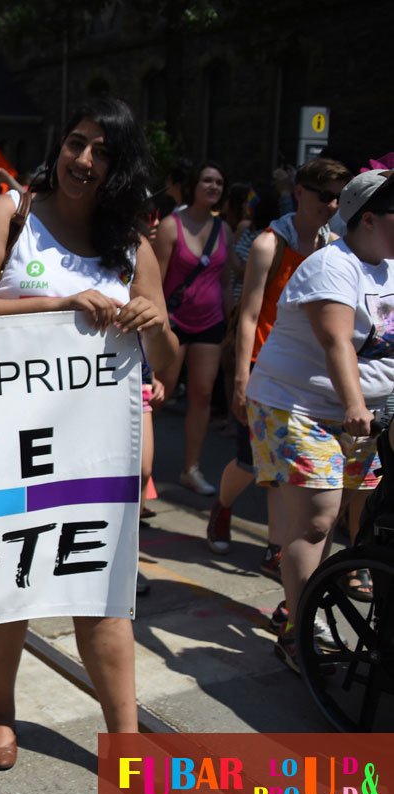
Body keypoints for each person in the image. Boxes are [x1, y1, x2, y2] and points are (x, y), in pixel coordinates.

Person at [0, 97, 176, 769]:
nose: (83, 159)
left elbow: (168, 363)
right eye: (76, 143)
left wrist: (152, 325)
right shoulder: (11, 213)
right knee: (9, 576)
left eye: (102, 152)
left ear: (121, 168)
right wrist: (58, 305)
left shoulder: (131, 247)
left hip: (101, 454)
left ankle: (125, 742)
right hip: (8, 437)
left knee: (101, 595)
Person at [244, 169, 394, 674]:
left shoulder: (390, 266)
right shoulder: (331, 266)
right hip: (297, 407)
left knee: (343, 520)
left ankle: (294, 604)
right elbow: (336, 344)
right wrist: (355, 405)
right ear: (369, 219)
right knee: (316, 520)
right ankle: (300, 631)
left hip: (364, 415)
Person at [209, 158, 352, 564]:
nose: (333, 204)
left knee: (285, 471)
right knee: (251, 461)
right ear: (300, 193)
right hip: (261, 367)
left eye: (340, 196)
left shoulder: (334, 245)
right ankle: (222, 506)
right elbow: (249, 314)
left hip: (307, 371)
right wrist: (240, 378)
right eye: (325, 195)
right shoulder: (269, 244)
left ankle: (275, 548)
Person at [153, 162, 235, 496]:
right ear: (194, 185)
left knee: (202, 394)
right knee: (161, 393)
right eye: (207, 180)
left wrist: (231, 326)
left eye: (219, 182)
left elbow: (226, 281)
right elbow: (154, 279)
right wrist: (157, 324)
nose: (214, 186)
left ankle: (191, 468)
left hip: (211, 323)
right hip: (173, 323)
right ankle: (143, 469)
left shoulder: (224, 229)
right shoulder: (172, 226)